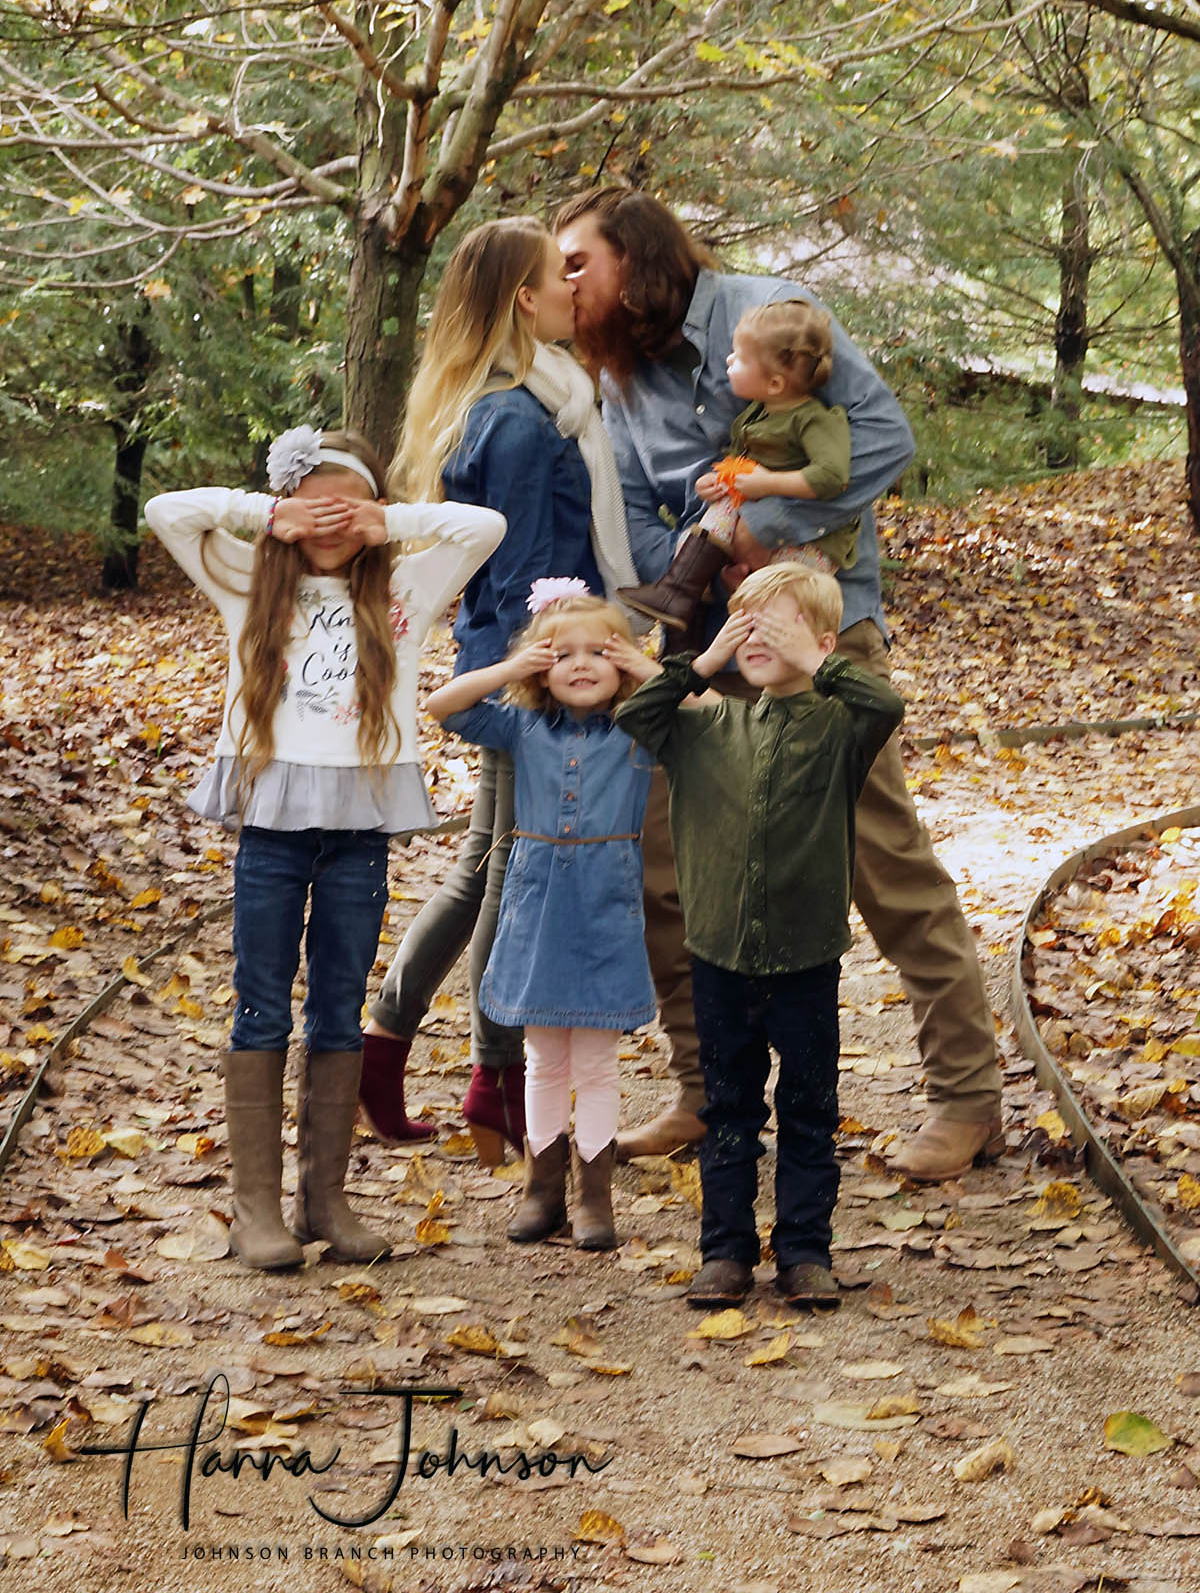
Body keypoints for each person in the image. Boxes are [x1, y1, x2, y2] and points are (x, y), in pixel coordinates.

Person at [555, 187, 1004, 1182]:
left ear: (636, 256)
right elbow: (628, 517)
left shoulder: (772, 314)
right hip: (699, 650)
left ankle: (968, 1097)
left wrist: (765, 536)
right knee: (662, 866)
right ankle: (704, 1093)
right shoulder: (615, 376)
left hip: (812, 636)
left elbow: (882, 441)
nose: (564, 281)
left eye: (578, 261)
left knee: (880, 859)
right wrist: (669, 610)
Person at [144, 429, 505, 1270]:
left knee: (340, 1005)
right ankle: (256, 1211)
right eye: (316, 507)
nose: (332, 523)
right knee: (262, 1002)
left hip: (358, 831)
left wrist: (390, 521)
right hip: (271, 826)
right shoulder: (245, 578)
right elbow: (167, 511)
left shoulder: (405, 587)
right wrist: (269, 514)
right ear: (286, 511)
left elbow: (483, 526)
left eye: (350, 508)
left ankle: (325, 1201)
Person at [361, 218, 640, 1165]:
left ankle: (393, 1053)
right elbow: (523, 581)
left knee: (487, 863)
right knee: (508, 869)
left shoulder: (521, 399)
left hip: (524, 662)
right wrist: (549, 679)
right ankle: (493, 1074)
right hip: (531, 673)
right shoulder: (518, 419)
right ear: (525, 299)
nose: (574, 286)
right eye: (558, 274)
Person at [617, 564, 903, 1306]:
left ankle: (805, 1251)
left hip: (806, 957)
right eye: (744, 619)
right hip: (719, 957)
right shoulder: (705, 726)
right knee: (728, 1109)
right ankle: (726, 1251)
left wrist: (816, 663)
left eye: (778, 623)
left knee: (809, 1109)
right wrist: (703, 660)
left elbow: (884, 702)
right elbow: (636, 714)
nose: (757, 634)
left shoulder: (840, 728)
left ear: (823, 643)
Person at [427, 585, 657, 1250]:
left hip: (605, 905)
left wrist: (643, 668)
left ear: (621, 663)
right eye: (563, 654)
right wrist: (510, 668)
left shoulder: (640, 729)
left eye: (600, 652)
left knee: (597, 1062)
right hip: (538, 903)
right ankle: (542, 1189)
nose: (581, 664)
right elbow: (443, 706)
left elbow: (703, 711)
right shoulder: (521, 727)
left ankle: (594, 1199)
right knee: (543, 1058)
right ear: (541, 667)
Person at [619, 298, 859, 632]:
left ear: (775, 383)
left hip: (810, 542)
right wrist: (715, 482)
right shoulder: (755, 415)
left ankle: (693, 597)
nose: (728, 361)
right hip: (758, 522)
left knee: (782, 607)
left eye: (740, 357)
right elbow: (739, 465)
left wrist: (768, 483)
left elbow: (832, 476)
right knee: (716, 513)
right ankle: (679, 593)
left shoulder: (814, 419)